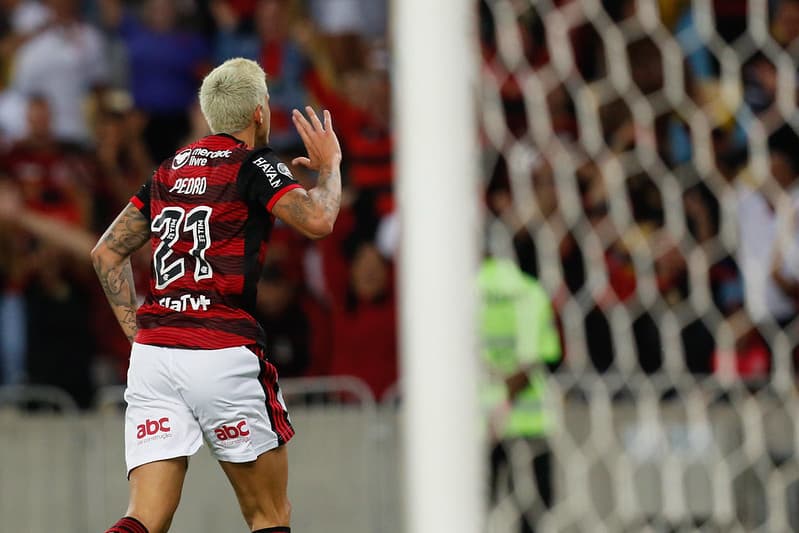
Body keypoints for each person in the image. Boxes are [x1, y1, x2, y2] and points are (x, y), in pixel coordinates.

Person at [91, 57, 342, 533]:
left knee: (145, 516)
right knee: (269, 514)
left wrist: (139, 334)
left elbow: (106, 253)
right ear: (259, 113)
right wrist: (330, 168)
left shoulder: (168, 169)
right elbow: (318, 220)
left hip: (155, 358)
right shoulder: (254, 163)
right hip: (221, 350)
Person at [479, 255, 561, 533]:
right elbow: (537, 358)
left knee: (471, 513)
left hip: (477, 426)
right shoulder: (530, 291)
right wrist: (505, 401)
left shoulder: (460, 294)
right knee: (534, 517)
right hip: (529, 422)